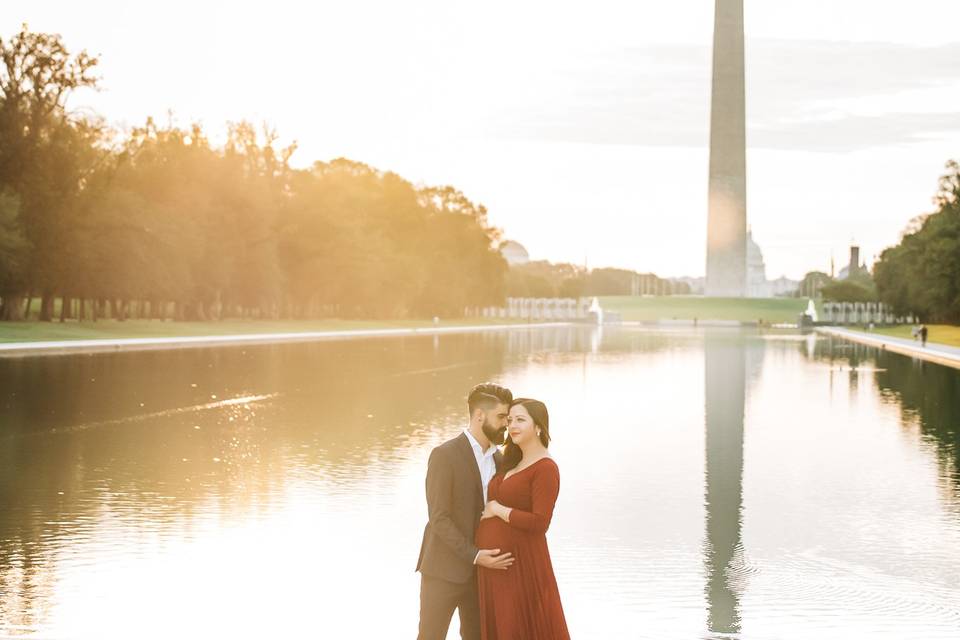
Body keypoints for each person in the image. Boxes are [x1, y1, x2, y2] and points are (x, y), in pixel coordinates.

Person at [416, 383, 515, 640]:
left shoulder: (501, 461)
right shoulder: (444, 455)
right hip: (443, 571)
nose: (507, 423)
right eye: (501, 417)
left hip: (483, 575)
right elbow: (439, 517)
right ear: (480, 415)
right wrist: (475, 555)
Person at [476, 398, 570, 639]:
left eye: (520, 420)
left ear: (538, 426)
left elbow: (540, 523)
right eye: (509, 421)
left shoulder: (546, 468)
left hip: (523, 564)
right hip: (495, 567)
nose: (512, 426)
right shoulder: (511, 461)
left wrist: (498, 510)